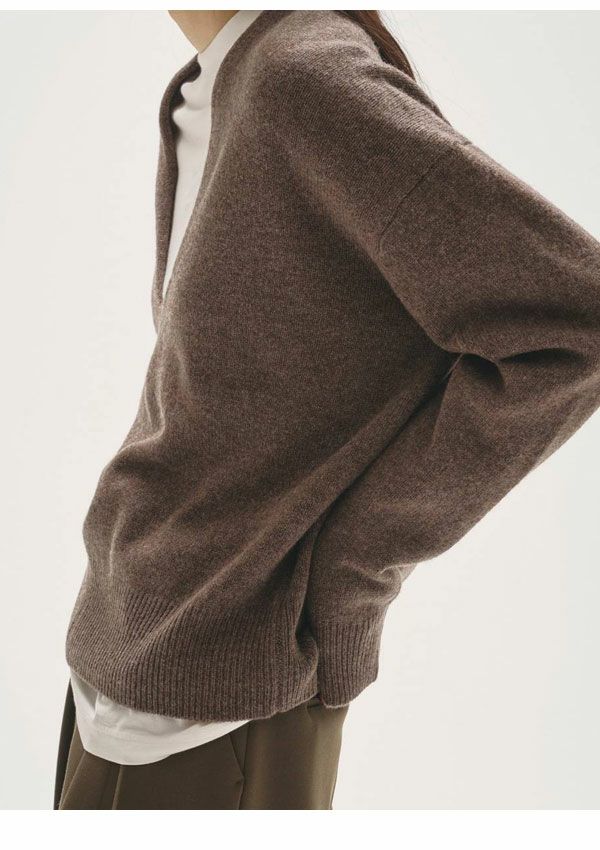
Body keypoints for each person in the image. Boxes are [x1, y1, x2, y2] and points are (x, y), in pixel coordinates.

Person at [55, 10, 600, 810]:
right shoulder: (208, 86)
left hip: (221, 706)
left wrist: (350, 567)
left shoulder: (305, 80)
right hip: (113, 663)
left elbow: (575, 322)